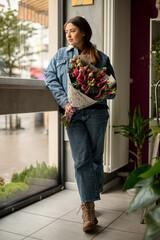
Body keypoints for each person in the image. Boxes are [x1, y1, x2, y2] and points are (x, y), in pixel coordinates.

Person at [44, 16, 116, 232]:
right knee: (81, 161)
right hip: (72, 115)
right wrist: (66, 101)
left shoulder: (101, 58)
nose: (68, 34)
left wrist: (94, 89)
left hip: (96, 114)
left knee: (95, 159)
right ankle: (88, 209)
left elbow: (111, 90)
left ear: (84, 32)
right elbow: (49, 78)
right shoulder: (60, 55)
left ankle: (91, 199)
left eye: (72, 30)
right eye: (66, 31)